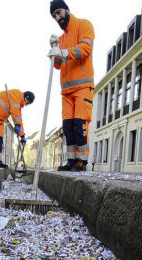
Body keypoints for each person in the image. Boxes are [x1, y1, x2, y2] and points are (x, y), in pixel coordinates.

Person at [48, 0, 94, 172]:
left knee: (79, 124)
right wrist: (54, 52)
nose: (58, 17)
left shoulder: (84, 25)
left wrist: (65, 52)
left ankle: (82, 161)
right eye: (55, 16)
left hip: (83, 86)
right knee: (68, 128)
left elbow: (86, 48)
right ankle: (71, 160)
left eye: (59, 12)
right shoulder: (60, 39)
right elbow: (58, 65)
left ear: (67, 10)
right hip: (66, 91)